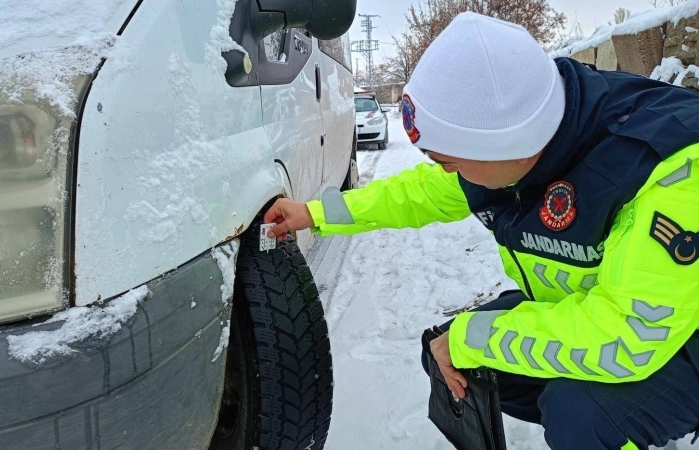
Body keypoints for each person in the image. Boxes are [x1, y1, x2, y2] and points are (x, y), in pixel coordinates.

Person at [263, 11, 699, 450]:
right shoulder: (515, 150)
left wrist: (474, 340)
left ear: (500, 145)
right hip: (593, 310)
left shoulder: (671, 169)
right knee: (447, 350)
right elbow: (414, 194)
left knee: (580, 412)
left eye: (447, 159)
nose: (441, 169)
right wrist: (314, 213)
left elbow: (628, 337)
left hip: (678, 342)